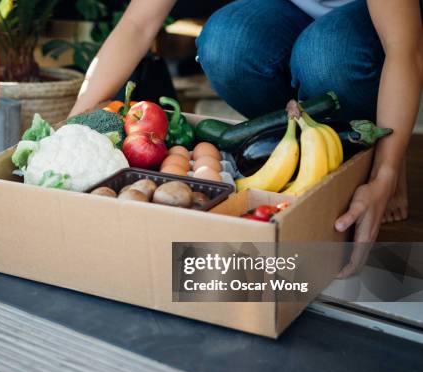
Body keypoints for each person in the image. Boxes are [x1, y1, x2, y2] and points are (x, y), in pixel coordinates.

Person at [69, 0, 422, 246]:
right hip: (288, 11)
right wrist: (73, 123)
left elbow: (404, 48)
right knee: (227, 43)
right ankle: (299, 150)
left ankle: (376, 143)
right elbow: (138, 23)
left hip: (371, 23)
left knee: (324, 57)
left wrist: (386, 173)